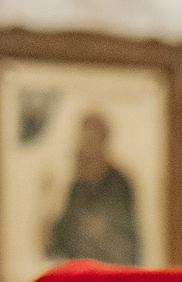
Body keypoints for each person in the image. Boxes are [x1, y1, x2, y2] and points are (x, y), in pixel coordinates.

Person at [45, 112, 143, 267]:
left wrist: (102, 231)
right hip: (81, 276)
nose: (84, 148)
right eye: (83, 141)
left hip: (112, 274)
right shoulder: (77, 188)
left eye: (90, 142)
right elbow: (57, 245)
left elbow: (129, 245)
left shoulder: (119, 184)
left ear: (103, 143)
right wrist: (47, 201)